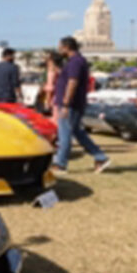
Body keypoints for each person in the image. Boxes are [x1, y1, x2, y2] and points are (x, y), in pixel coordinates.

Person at [53, 36, 111, 173]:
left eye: (60, 46)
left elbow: (72, 82)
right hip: (74, 104)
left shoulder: (75, 62)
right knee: (77, 133)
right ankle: (100, 157)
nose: (59, 49)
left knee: (65, 134)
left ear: (67, 47)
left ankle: (60, 164)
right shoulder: (75, 61)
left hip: (71, 105)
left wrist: (66, 104)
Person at [43, 51, 63, 115]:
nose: (46, 61)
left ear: (51, 60)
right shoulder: (60, 69)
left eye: (48, 59)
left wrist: (47, 103)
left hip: (53, 98)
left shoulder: (52, 70)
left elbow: (50, 88)